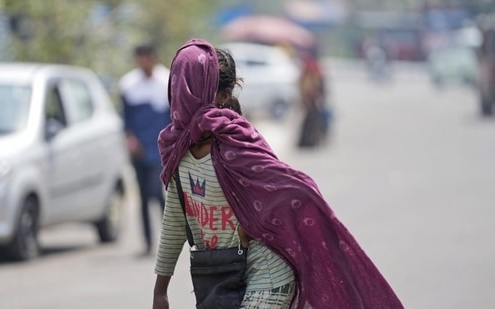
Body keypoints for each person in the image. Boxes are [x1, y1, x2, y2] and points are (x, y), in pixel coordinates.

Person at [153, 39, 403, 309]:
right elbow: (175, 222)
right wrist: (160, 291)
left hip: (268, 272)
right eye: (181, 84)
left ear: (224, 97)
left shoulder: (238, 142)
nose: (184, 94)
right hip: (220, 277)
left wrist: (255, 222)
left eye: (192, 86)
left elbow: (295, 190)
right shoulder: (176, 149)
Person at [119, 42, 170, 257]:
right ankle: (148, 241)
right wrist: (131, 141)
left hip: (159, 146)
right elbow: (127, 119)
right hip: (139, 148)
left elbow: (171, 116)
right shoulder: (129, 85)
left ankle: (168, 239)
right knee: (142, 194)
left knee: (157, 193)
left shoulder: (166, 80)